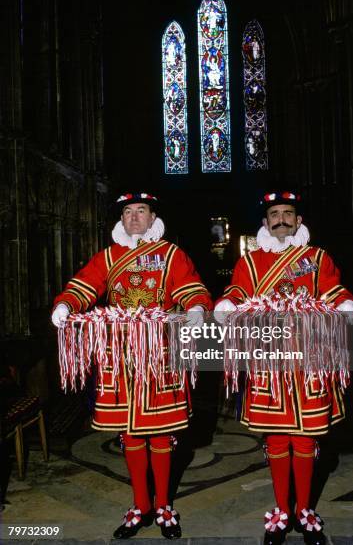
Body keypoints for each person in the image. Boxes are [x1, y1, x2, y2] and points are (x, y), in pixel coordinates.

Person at [52, 192, 212, 540]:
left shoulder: (171, 254)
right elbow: (84, 286)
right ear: (120, 220)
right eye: (128, 212)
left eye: (141, 211)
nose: (134, 217)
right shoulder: (108, 256)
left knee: (161, 433)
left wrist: (197, 308)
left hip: (161, 355)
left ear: (154, 216)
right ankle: (141, 505)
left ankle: (164, 505)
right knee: (131, 433)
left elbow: (190, 288)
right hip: (119, 357)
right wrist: (66, 304)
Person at [215, 190, 353, 545]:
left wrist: (346, 305)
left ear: (298, 220)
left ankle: (305, 510)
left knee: (306, 438)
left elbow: (333, 290)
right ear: (265, 223)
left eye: (287, 213)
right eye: (274, 213)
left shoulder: (317, 257)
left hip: (310, 361)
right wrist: (224, 305)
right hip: (269, 363)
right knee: (277, 438)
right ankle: (281, 511)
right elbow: (236, 291)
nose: (281, 218)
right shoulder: (249, 262)